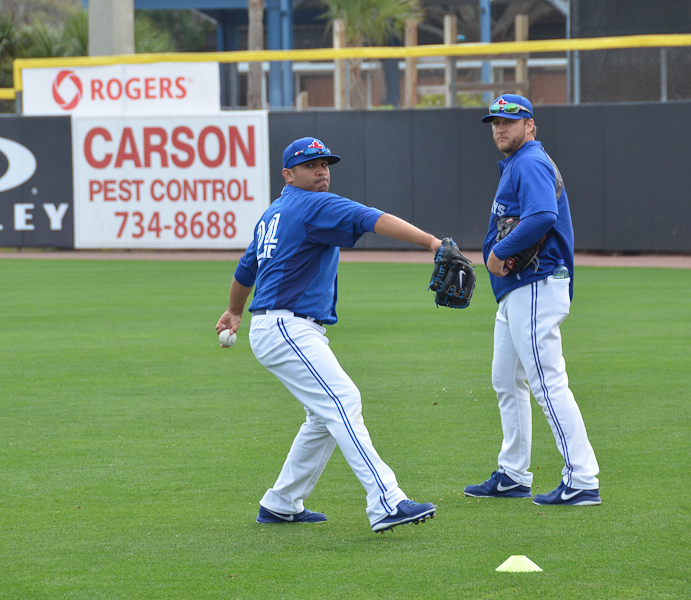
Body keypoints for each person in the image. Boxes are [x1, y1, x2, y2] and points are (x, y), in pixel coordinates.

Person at [216, 137, 445, 532]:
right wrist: (432, 242)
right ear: (288, 175)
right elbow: (374, 219)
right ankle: (387, 501)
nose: (321, 170)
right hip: (288, 327)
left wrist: (235, 310)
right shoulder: (313, 204)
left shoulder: (272, 213)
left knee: (324, 415)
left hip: (279, 327)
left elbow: (245, 270)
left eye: (325, 163)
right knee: (343, 399)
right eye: (310, 165)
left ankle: (281, 502)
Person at [463, 94, 601, 506]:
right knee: (506, 379)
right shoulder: (517, 164)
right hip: (519, 291)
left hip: (536, 283)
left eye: (510, 120)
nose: (501, 127)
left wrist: (498, 253)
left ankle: (582, 478)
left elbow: (543, 216)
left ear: (530, 126)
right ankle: (513, 474)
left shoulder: (530, 162)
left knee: (546, 380)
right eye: (495, 122)